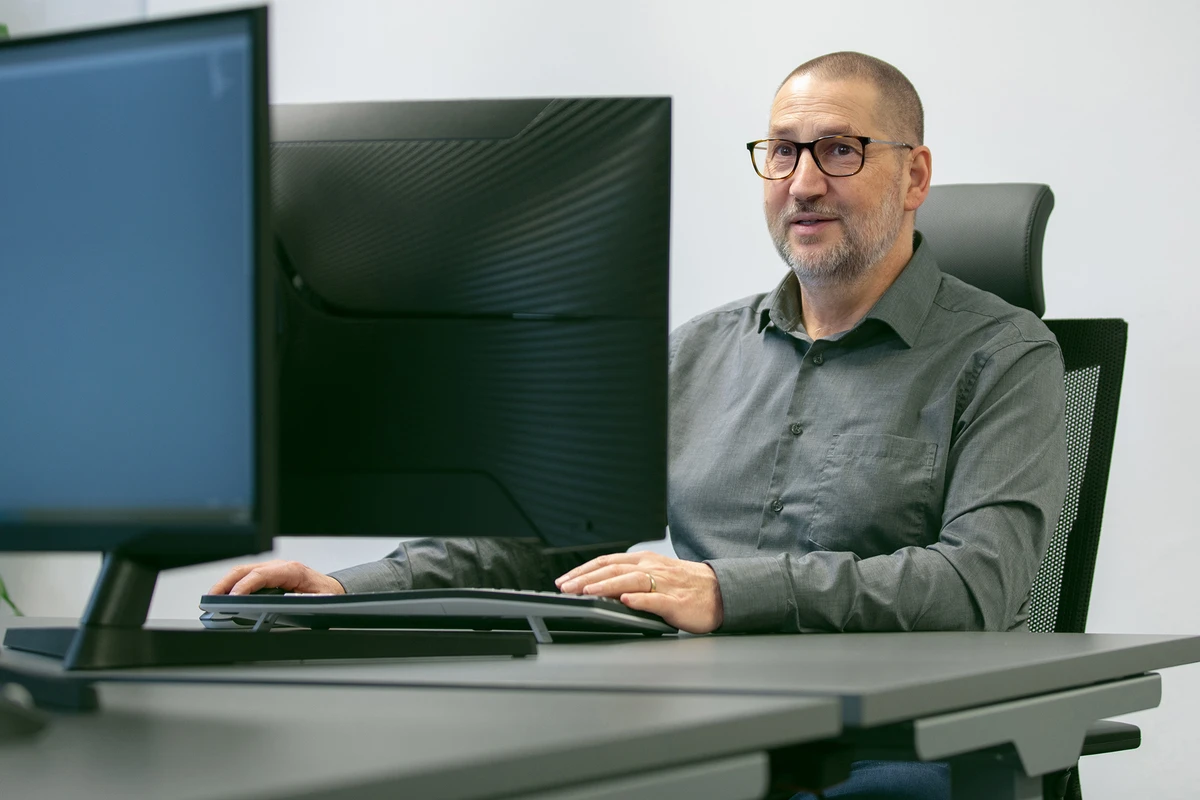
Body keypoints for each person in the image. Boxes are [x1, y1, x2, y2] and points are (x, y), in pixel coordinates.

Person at [211, 52, 1067, 799]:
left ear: (915, 177)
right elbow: (538, 537)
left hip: (885, 745)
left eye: (841, 150)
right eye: (781, 151)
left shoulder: (1005, 355)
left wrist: (729, 592)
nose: (803, 182)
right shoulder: (692, 353)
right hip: (690, 724)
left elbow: (975, 586)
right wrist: (350, 591)